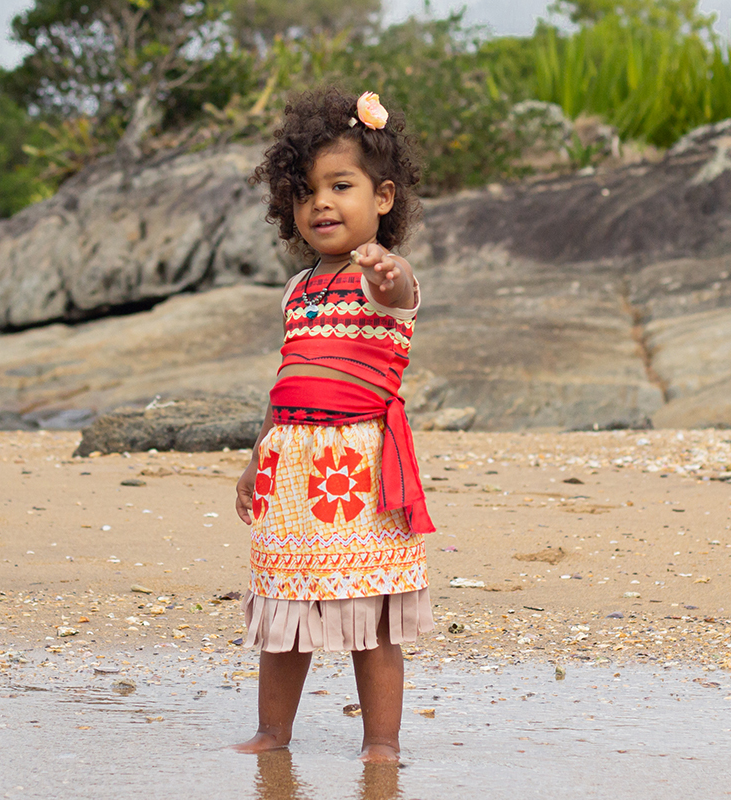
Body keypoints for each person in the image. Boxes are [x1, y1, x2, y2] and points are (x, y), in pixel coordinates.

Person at [232, 86, 435, 762]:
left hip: (355, 470)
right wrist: (254, 456)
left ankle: (381, 741)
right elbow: (284, 382)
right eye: (305, 191)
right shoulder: (298, 289)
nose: (321, 203)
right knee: (284, 614)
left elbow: (397, 291)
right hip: (290, 468)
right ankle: (272, 733)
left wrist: (385, 268)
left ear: (381, 198)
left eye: (340, 186)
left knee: (372, 617)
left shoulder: (383, 280)